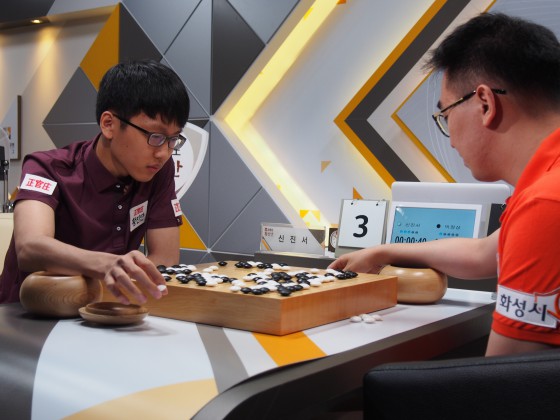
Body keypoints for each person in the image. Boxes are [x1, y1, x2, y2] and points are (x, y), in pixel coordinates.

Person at [330, 12, 560, 356]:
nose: (450, 140)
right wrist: (383, 252)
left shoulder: (545, 205)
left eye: (445, 115)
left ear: (485, 104)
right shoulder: (547, 186)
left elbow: (502, 379)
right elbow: (483, 253)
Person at [0, 60, 190, 305]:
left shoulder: (158, 172)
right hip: (26, 314)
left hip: (105, 311)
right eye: (155, 136)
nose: (163, 153)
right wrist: (106, 265)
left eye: (173, 139)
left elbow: (166, 259)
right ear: (109, 124)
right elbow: (30, 247)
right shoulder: (46, 167)